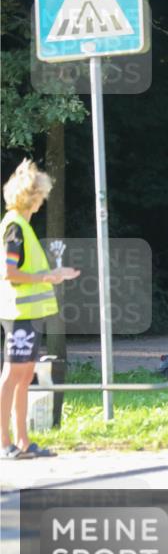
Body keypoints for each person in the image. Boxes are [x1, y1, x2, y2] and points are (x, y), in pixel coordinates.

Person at [1, 159, 80, 460]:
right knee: (12, 376)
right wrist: (47, 277)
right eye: (41, 195)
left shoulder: (21, 226)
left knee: (23, 378)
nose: (43, 201)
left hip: (29, 316)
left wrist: (53, 275)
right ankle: (4, 443)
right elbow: (10, 273)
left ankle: (23, 441)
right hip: (19, 315)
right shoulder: (14, 228)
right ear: (31, 197)